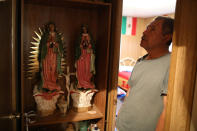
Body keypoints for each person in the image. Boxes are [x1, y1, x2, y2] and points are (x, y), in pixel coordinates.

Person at [116, 16, 174, 131]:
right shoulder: (140, 61)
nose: (144, 31)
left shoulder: (172, 64)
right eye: (147, 27)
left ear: (166, 37)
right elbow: (130, 91)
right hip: (122, 125)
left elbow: (167, 109)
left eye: (152, 29)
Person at [39, 22, 64, 91]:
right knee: (46, 68)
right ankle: (46, 83)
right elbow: (42, 46)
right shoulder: (45, 36)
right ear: (48, 28)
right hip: (46, 55)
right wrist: (47, 44)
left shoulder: (57, 36)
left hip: (54, 55)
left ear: (54, 27)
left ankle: (53, 82)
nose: (51, 28)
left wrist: (56, 44)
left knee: (53, 68)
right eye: (50, 27)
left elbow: (61, 46)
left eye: (52, 27)